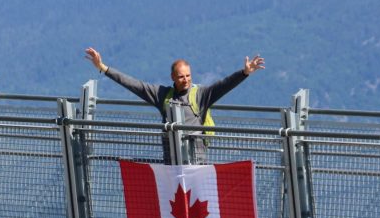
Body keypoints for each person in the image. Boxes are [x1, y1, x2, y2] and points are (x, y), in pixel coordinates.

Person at [84, 47, 264, 164]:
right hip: (172, 161)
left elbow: (224, 85)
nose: (185, 80)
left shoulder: (201, 95)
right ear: (173, 78)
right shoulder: (162, 95)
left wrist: (244, 73)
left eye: (188, 75)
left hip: (196, 161)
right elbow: (133, 84)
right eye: (181, 76)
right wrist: (103, 68)